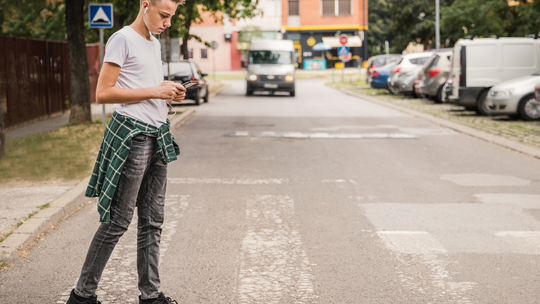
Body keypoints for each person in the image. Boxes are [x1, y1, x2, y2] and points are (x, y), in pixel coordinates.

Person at [66, 0, 186, 303]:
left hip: (158, 136)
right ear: (145, 5)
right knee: (118, 221)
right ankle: (82, 296)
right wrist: (155, 91)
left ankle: (151, 295)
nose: (167, 23)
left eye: (171, 17)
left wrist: (168, 90)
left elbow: (145, 87)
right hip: (133, 138)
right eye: (163, 15)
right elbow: (103, 93)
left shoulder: (154, 43)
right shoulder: (122, 39)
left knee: (152, 221)